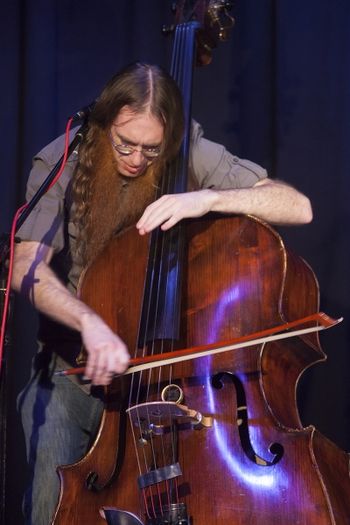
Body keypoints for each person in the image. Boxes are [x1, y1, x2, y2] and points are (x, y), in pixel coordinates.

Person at [11, 62, 312, 524]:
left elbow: (297, 206)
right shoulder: (62, 158)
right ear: (103, 123)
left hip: (168, 380)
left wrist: (209, 198)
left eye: (151, 149)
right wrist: (90, 322)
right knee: (55, 509)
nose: (135, 159)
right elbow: (25, 265)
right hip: (71, 369)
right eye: (124, 144)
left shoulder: (184, 149)